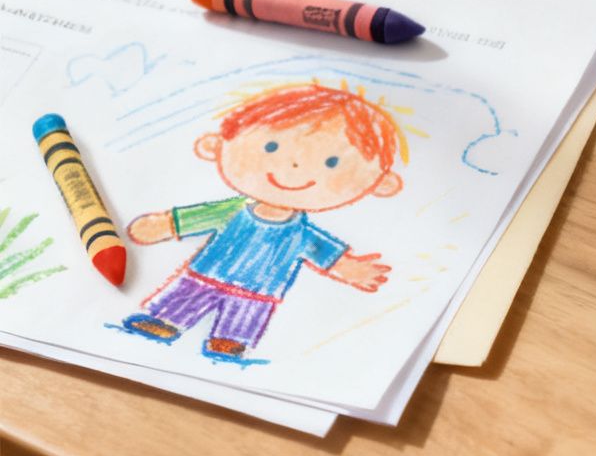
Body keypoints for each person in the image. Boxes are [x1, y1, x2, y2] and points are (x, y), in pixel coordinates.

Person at [117, 82, 404, 365]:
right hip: (206, 274)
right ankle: (166, 320)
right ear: (215, 145)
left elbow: (325, 255)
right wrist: (164, 225)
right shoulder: (232, 210)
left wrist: (351, 269)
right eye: (271, 145)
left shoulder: (302, 233)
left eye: (331, 162)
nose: (294, 167)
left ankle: (229, 342)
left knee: (243, 317)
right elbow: (192, 219)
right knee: (187, 296)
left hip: (259, 290)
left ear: (379, 184)